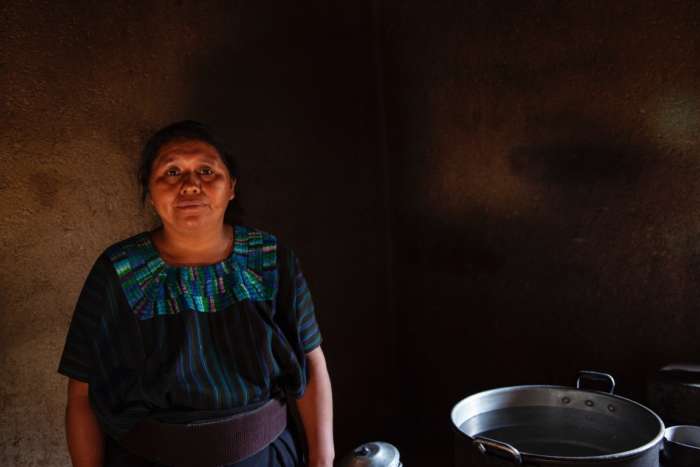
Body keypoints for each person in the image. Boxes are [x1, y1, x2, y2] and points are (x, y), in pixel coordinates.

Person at [58, 121, 334, 467]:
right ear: (150, 188)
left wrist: (323, 459)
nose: (190, 185)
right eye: (172, 172)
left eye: (206, 170)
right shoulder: (119, 270)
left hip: (264, 457)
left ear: (231, 186)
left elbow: (310, 360)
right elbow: (82, 393)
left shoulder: (270, 258)